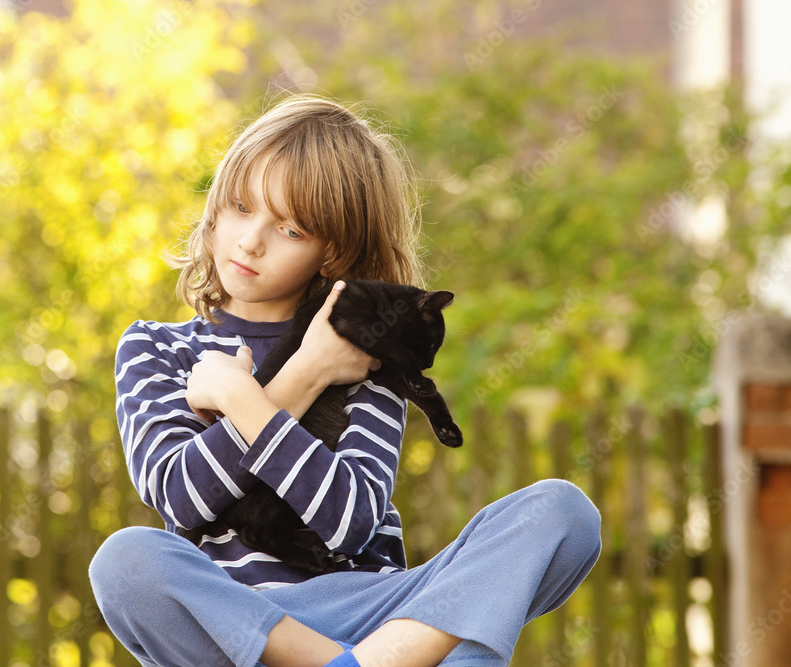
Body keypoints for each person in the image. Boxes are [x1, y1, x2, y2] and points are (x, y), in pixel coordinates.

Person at [89, 94, 601, 667]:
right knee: (127, 560)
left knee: (563, 513)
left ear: (331, 253)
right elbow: (179, 496)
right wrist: (301, 377)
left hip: (375, 615)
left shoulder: (367, 354)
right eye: (238, 207)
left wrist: (239, 396)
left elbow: (350, 523)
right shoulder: (158, 347)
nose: (250, 240)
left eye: (289, 230)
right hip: (235, 624)